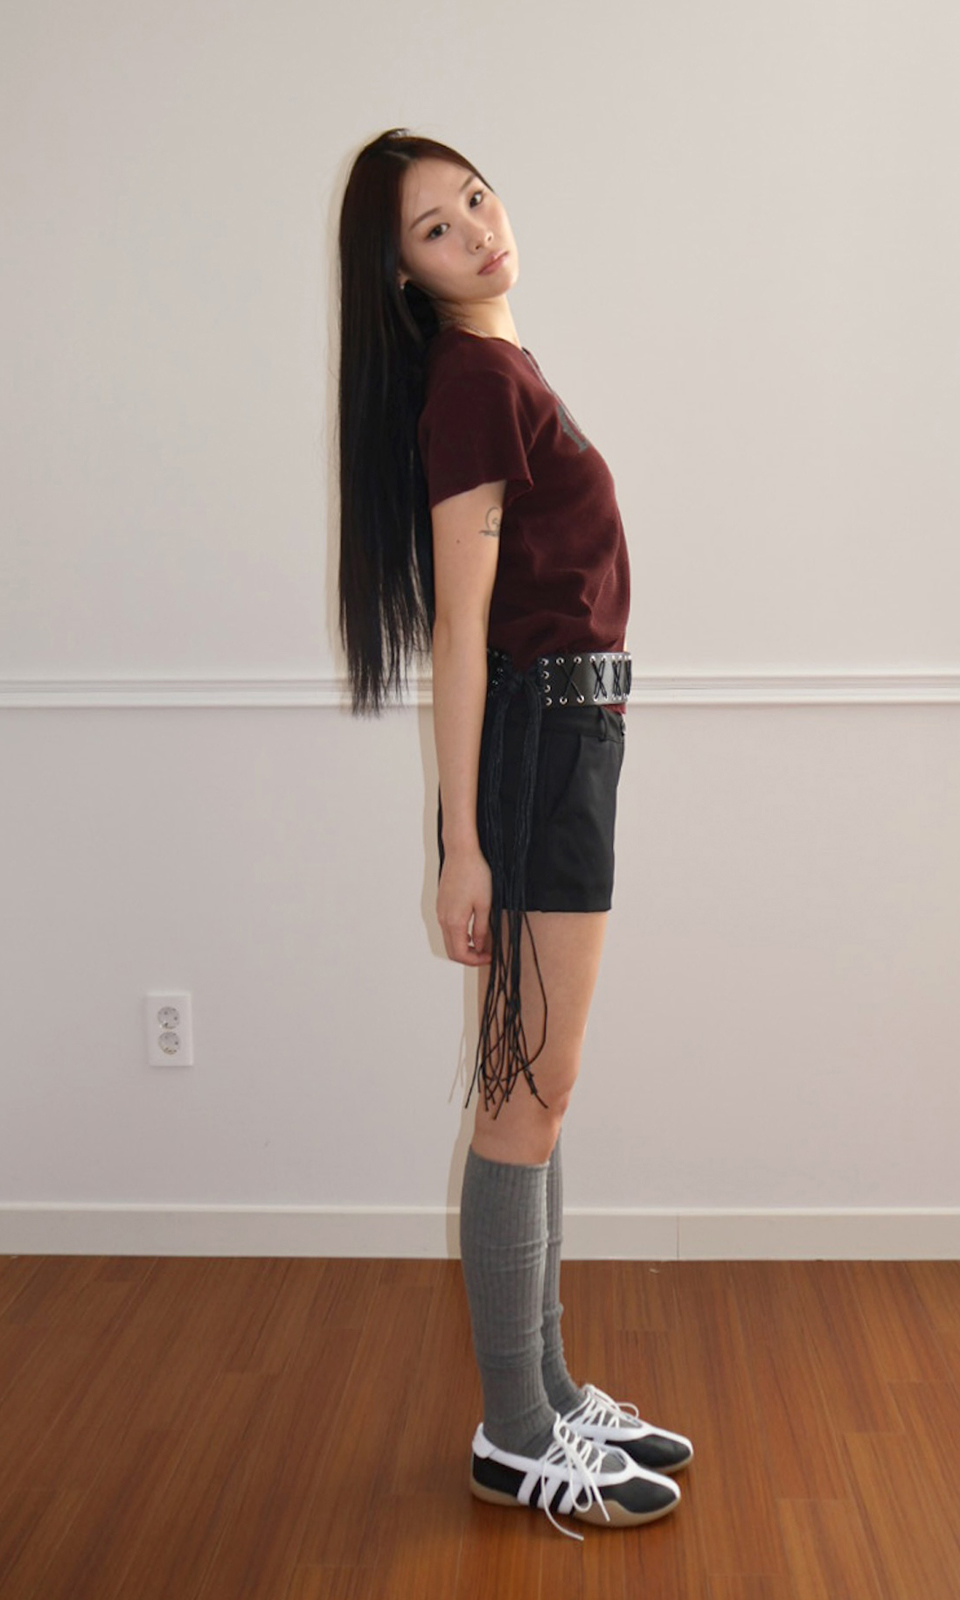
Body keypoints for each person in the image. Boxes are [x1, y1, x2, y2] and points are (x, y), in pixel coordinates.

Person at [337, 128, 693, 1539]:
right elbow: (462, 627)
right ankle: (514, 1432)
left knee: (542, 1088)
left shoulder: (500, 366)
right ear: (403, 274)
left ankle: (545, 1388)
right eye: (436, 227)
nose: (477, 229)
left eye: (474, 198)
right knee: (523, 1096)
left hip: (568, 735)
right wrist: (463, 846)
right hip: (543, 741)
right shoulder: (475, 382)